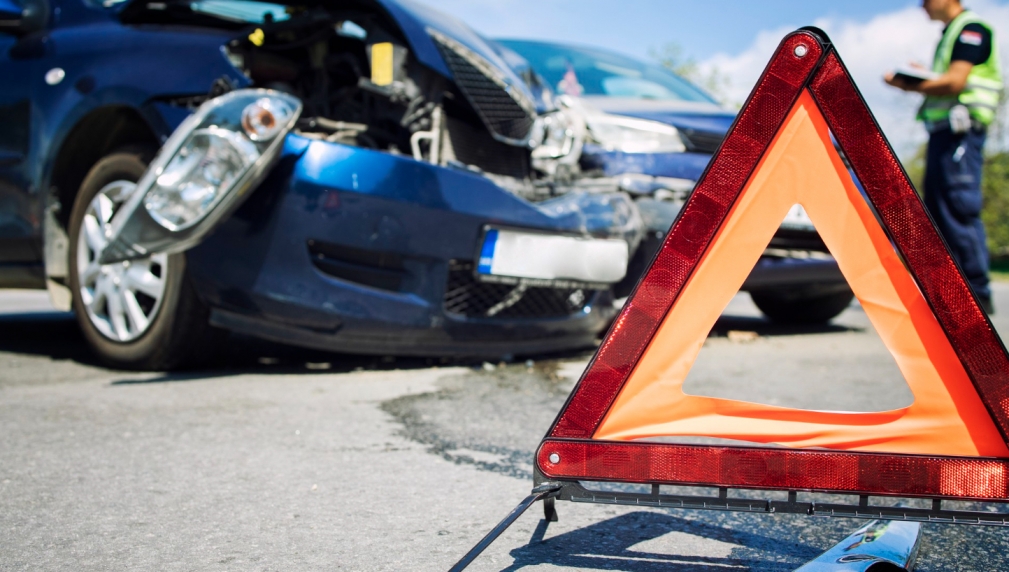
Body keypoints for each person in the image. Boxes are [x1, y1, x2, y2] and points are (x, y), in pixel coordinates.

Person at [885, 0, 1003, 314]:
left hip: (959, 133)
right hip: (944, 134)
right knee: (940, 208)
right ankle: (954, 293)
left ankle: (976, 294)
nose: (921, 5)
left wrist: (909, 83)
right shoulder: (951, 33)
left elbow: (955, 81)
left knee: (958, 207)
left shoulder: (971, 30)